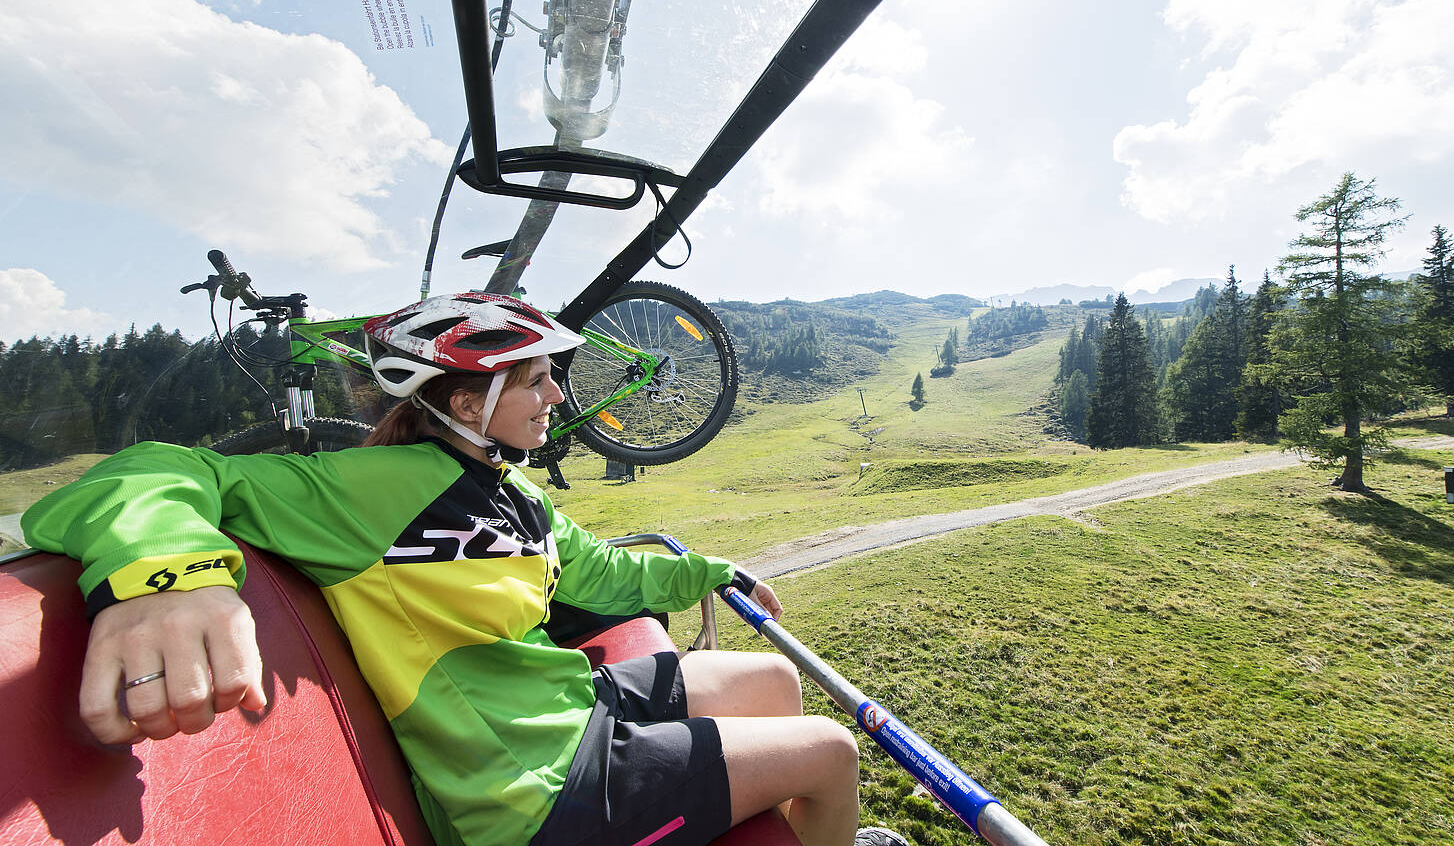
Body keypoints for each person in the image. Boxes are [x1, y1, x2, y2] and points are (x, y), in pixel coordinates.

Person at [22, 292, 908, 846]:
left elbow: (601, 574)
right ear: (462, 400)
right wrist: (169, 578)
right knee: (830, 754)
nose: (558, 397)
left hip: (562, 706)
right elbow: (156, 471)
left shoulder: (510, 492)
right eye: (535, 381)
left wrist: (713, 573)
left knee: (770, 677)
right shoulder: (369, 489)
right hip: (524, 789)